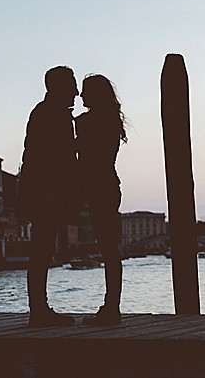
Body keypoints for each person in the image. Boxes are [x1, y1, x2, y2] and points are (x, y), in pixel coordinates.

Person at [19, 66, 78, 327]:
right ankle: (39, 311)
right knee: (42, 250)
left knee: (42, 250)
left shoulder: (45, 113)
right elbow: (53, 160)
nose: (76, 92)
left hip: (45, 192)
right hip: (48, 193)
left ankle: (39, 309)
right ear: (60, 88)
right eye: (72, 86)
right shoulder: (52, 115)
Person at [75, 74, 128, 325]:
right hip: (109, 185)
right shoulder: (111, 121)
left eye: (85, 91)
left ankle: (110, 309)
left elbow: (80, 157)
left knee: (107, 247)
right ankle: (112, 306)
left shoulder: (85, 122)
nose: (81, 96)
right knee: (110, 250)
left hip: (97, 188)